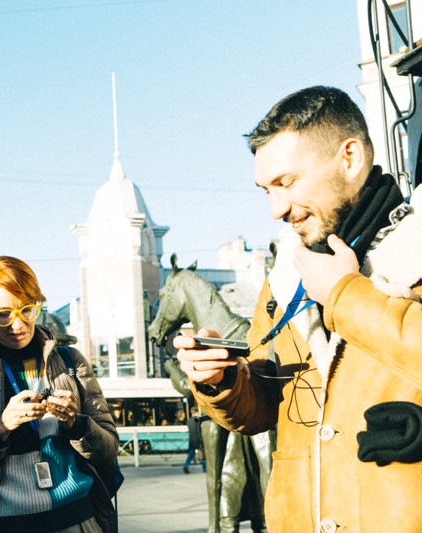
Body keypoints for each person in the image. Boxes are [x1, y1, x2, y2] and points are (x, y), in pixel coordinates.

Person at [175, 86, 422, 532]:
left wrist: (345, 293)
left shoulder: (416, 247)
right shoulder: (286, 275)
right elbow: (267, 401)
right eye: (265, 190)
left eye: (286, 183)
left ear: (350, 158)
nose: (275, 209)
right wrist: (224, 380)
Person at [0, 256, 119, 533]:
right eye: (3, 313)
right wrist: (0, 428)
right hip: (4, 525)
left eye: (27, 310)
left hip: (79, 521)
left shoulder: (70, 361)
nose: (18, 324)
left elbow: (109, 450)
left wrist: (77, 425)